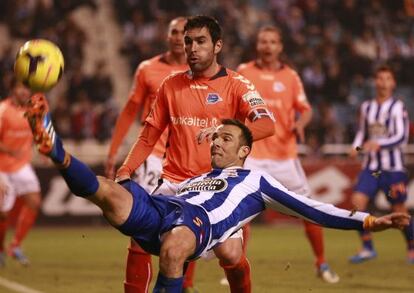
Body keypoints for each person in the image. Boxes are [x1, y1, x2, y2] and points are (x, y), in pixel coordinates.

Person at [24, 95, 410, 293]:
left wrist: (370, 221)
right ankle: (53, 146)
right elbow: (160, 193)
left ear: (244, 151)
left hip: (197, 225)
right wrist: (131, 185)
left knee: (178, 248)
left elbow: (314, 209)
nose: (215, 143)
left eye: (225, 138)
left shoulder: (257, 181)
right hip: (167, 206)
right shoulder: (193, 179)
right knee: (107, 194)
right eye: (215, 138)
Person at [115, 15, 275, 293]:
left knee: (231, 255)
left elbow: (266, 124)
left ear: (217, 46)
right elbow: (148, 136)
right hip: (175, 182)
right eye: (188, 41)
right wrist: (125, 170)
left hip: (217, 186)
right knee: (139, 237)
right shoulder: (170, 85)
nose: (192, 48)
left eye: (201, 41)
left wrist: (224, 130)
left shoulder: (238, 85)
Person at [237, 25, 339, 283]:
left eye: (272, 41)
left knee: (308, 209)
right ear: (257, 45)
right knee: (239, 214)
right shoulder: (243, 72)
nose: (267, 46)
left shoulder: (291, 76)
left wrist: (300, 124)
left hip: (285, 155)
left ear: (280, 46)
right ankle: (237, 266)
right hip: (254, 154)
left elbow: (306, 109)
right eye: (263, 41)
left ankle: (321, 263)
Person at [105, 17, 190, 293]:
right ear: (167, 36)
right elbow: (131, 110)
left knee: (188, 227)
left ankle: (184, 284)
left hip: (186, 159)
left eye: (184, 33)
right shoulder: (148, 69)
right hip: (152, 157)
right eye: (174, 32)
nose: (179, 37)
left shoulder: (199, 71)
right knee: (139, 232)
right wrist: (114, 150)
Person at [348, 65, 414, 264]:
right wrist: (356, 147)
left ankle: (412, 247)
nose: (383, 82)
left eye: (387, 78)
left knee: (400, 212)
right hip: (371, 168)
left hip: (393, 170)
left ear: (393, 83)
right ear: (375, 82)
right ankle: (367, 248)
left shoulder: (397, 107)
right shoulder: (367, 107)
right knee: (356, 202)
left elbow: (401, 137)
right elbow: (362, 133)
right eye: (380, 78)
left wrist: (378, 143)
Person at [0, 80, 42, 267]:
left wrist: (43, 149)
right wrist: (8, 150)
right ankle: (0, 249)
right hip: (2, 166)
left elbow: (37, 132)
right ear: (13, 89)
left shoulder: (33, 109)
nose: (25, 92)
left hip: (22, 165)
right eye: (20, 88)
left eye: (27, 88)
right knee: (2, 213)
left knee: (34, 201)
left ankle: (15, 246)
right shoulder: (2, 110)